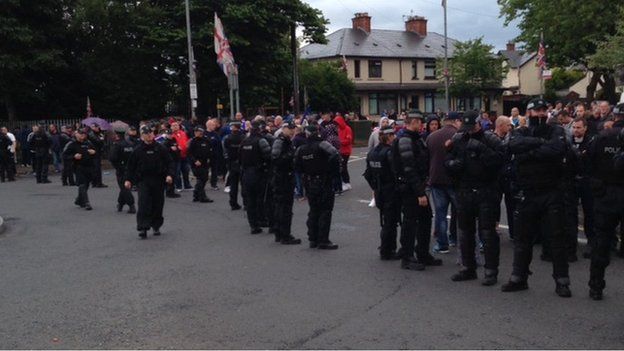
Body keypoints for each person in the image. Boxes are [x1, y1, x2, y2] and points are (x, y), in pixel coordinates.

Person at [502, 98, 571, 297]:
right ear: (529, 113)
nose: (541, 114)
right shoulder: (521, 131)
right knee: (523, 239)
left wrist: (529, 152)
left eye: (543, 110)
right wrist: (541, 144)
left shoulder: (555, 131)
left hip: (551, 191)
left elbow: (557, 150)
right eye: (536, 110)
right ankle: (519, 278)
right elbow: (513, 145)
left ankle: (562, 281)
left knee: (557, 239)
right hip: (527, 192)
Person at [445, 111, 504, 285]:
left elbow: (500, 161)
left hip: (485, 191)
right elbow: (446, 158)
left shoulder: (491, 139)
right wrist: (451, 164)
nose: (469, 131)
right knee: (464, 233)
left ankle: (491, 271)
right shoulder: (458, 138)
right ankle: (468, 268)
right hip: (464, 190)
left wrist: (481, 148)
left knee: (487, 234)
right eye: (466, 128)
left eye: (472, 127)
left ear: (479, 124)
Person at [584, 103, 624, 300]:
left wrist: (596, 187)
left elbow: (587, 164)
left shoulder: (601, 138)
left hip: (606, 195)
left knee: (601, 242)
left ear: (614, 116)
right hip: (609, 191)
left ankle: (596, 286)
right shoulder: (603, 138)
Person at [393, 112, 443, 270]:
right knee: (410, 222)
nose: (422, 125)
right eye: (420, 122)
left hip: (418, 186)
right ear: (413, 122)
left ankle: (422, 253)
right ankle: (407, 257)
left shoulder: (416, 138)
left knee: (425, 219)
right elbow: (409, 169)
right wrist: (420, 193)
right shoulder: (405, 140)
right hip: (410, 188)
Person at [295, 124, 341, 250]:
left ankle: (313, 239)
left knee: (314, 210)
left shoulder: (301, 149)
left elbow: (297, 167)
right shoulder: (322, 144)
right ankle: (323, 240)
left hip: (309, 183)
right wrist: (331, 172)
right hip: (323, 181)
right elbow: (335, 155)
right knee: (325, 211)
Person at [124, 126, 175, 239]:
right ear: (142, 136)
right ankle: (143, 227)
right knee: (143, 204)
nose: (149, 135)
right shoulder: (138, 150)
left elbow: (170, 162)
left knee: (158, 204)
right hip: (143, 180)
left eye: (150, 133)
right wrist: (128, 179)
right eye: (146, 134)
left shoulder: (160, 148)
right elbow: (130, 166)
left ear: (153, 134)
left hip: (158, 179)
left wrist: (169, 175)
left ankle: (156, 225)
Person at [426, 112, 462, 253]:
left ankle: (442, 244)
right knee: (460, 212)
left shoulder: (432, 136)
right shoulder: (459, 136)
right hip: (455, 180)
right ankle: (457, 239)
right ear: (455, 121)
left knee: (440, 214)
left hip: (436, 179)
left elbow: (427, 158)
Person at [364, 126, 401, 260]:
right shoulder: (389, 152)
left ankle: (387, 248)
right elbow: (395, 172)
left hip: (379, 190)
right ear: (388, 136)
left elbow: (368, 174)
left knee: (386, 220)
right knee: (391, 222)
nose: (395, 137)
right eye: (393, 135)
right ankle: (387, 250)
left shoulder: (372, 152)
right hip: (390, 190)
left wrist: (375, 187)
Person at [270, 121, 302, 245]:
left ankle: (280, 233)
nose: (292, 130)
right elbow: (275, 158)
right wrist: (291, 155)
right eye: (290, 128)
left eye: (293, 128)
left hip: (284, 177)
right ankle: (285, 235)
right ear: (284, 128)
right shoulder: (280, 141)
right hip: (282, 178)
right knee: (284, 208)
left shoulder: (287, 141)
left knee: (281, 207)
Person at [240, 121, 272, 234]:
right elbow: (269, 156)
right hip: (259, 173)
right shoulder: (261, 141)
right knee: (261, 198)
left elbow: (240, 158)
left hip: (246, 173)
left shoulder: (244, 142)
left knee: (250, 200)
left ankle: (253, 225)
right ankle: (262, 219)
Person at [570, 117, 595, 259]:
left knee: (589, 213)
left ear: (585, 128)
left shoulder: (591, 142)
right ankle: (571, 243)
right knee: (571, 213)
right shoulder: (568, 141)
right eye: (574, 127)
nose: (576, 130)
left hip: (587, 181)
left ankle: (591, 242)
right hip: (572, 181)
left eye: (579, 128)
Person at [62, 128, 97, 210]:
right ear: (76, 134)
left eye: (84, 134)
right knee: (82, 184)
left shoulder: (88, 143)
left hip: (89, 166)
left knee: (87, 184)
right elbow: (64, 155)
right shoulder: (71, 143)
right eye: (80, 134)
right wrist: (73, 156)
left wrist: (94, 152)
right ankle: (86, 202)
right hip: (78, 166)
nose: (82, 135)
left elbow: (95, 153)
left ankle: (79, 200)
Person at [109, 127, 139, 213]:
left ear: (116, 135)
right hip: (131, 169)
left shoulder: (117, 145)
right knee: (124, 187)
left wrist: (118, 167)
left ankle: (131, 205)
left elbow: (112, 158)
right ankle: (120, 204)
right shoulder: (130, 144)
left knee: (124, 187)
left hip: (122, 169)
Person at [187, 127, 214, 203]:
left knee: (204, 178)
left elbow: (210, 149)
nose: (198, 133)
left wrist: (210, 157)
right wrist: (195, 161)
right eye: (196, 132)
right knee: (200, 178)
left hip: (205, 162)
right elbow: (189, 153)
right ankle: (203, 197)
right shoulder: (193, 141)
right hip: (197, 163)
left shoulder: (206, 140)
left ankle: (196, 194)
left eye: (199, 131)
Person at [222, 121, 244, 210]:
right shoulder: (243, 137)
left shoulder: (228, 138)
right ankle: (246, 203)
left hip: (232, 162)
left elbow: (225, 149)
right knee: (244, 184)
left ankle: (233, 203)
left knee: (233, 184)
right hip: (242, 163)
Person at [171, 121, 192, 191]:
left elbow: (187, 141)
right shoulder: (171, 135)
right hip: (176, 156)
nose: (175, 127)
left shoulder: (183, 133)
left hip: (185, 155)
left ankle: (187, 185)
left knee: (186, 171)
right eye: (173, 126)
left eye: (176, 125)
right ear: (171, 127)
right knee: (177, 172)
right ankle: (178, 186)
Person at [162, 129, 182, 199]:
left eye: (171, 134)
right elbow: (164, 152)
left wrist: (178, 149)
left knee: (175, 175)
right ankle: (169, 192)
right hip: (170, 161)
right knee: (171, 176)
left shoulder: (174, 140)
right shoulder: (165, 142)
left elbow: (177, 148)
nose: (170, 135)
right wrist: (171, 149)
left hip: (176, 159)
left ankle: (172, 190)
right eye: (168, 134)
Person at [335, 114, 353, 191]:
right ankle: (344, 182)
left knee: (343, 167)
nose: (337, 125)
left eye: (337, 123)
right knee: (340, 167)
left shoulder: (347, 129)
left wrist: (339, 142)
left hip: (346, 151)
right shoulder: (338, 129)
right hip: (340, 151)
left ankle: (347, 183)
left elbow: (348, 140)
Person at [88, 123, 108, 188]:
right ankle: (96, 183)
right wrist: (101, 139)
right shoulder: (91, 134)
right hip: (94, 152)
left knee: (97, 168)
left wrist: (102, 138)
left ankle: (97, 182)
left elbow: (103, 142)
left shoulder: (99, 133)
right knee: (96, 168)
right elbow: (98, 141)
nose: (97, 128)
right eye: (95, 127)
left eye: (97, 127)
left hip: (98, 152)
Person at [205, 119, 223, 191]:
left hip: (215, 155)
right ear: (208, 125)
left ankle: (214, 184)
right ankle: (202, 183)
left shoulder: (215, 134)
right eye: (213, 125)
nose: (214, 126)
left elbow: (219, 143)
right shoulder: (204, 134)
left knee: (214, 170)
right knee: (205, 170)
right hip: (206, 156)